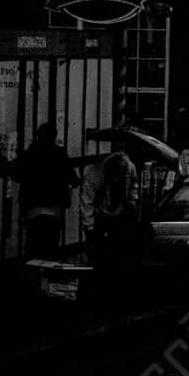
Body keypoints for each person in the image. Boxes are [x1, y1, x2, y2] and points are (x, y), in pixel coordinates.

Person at [12, 123, 80, 260]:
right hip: (54, 209)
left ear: (38, 136)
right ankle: (48, 275)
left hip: (32, 207)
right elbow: (74, 180)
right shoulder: (60, 154)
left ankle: (32, 274)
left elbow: (17, 176)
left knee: (32, 244)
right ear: (54, 137)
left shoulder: (29, 153)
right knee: (51, 245)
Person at [91, 151, 143, 300]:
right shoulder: (119, 169)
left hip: (120, 212)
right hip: (114, 211)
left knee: (117, 248)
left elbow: (128, 196)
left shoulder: (124, 170)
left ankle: (112, 284)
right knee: (117, 249)